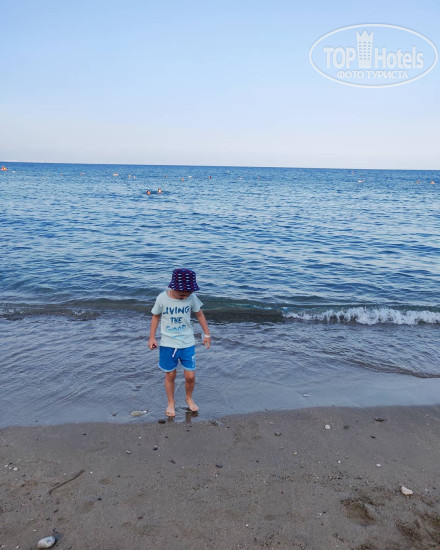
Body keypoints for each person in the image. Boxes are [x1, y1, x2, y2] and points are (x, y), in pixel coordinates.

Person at [148, 269, 211, 417]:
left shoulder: (191, 297)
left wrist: (207, 334)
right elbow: (155, 316)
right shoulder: (162, 298)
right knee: (170, 375)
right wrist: (152, 337)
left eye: (188, 293)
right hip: (168, 343)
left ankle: (189, 398)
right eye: (182, 294)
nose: (185, 296)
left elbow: (199, 314)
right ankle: (171, 403)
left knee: (190, 376)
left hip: (187, 343)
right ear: (173, 287)